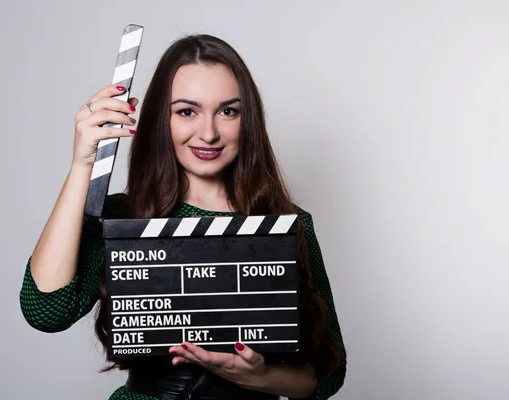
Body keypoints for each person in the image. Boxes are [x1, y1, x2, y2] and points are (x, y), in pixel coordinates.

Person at [19, 34, 346, 400]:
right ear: (162, 119)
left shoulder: (287, 223)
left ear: (247, 119)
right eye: (187, 111)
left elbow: (327, 375)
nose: (208, 133)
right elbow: (46, 310)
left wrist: (258, 377)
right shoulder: (124, 217)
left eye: (228, 111)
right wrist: (82, 164)